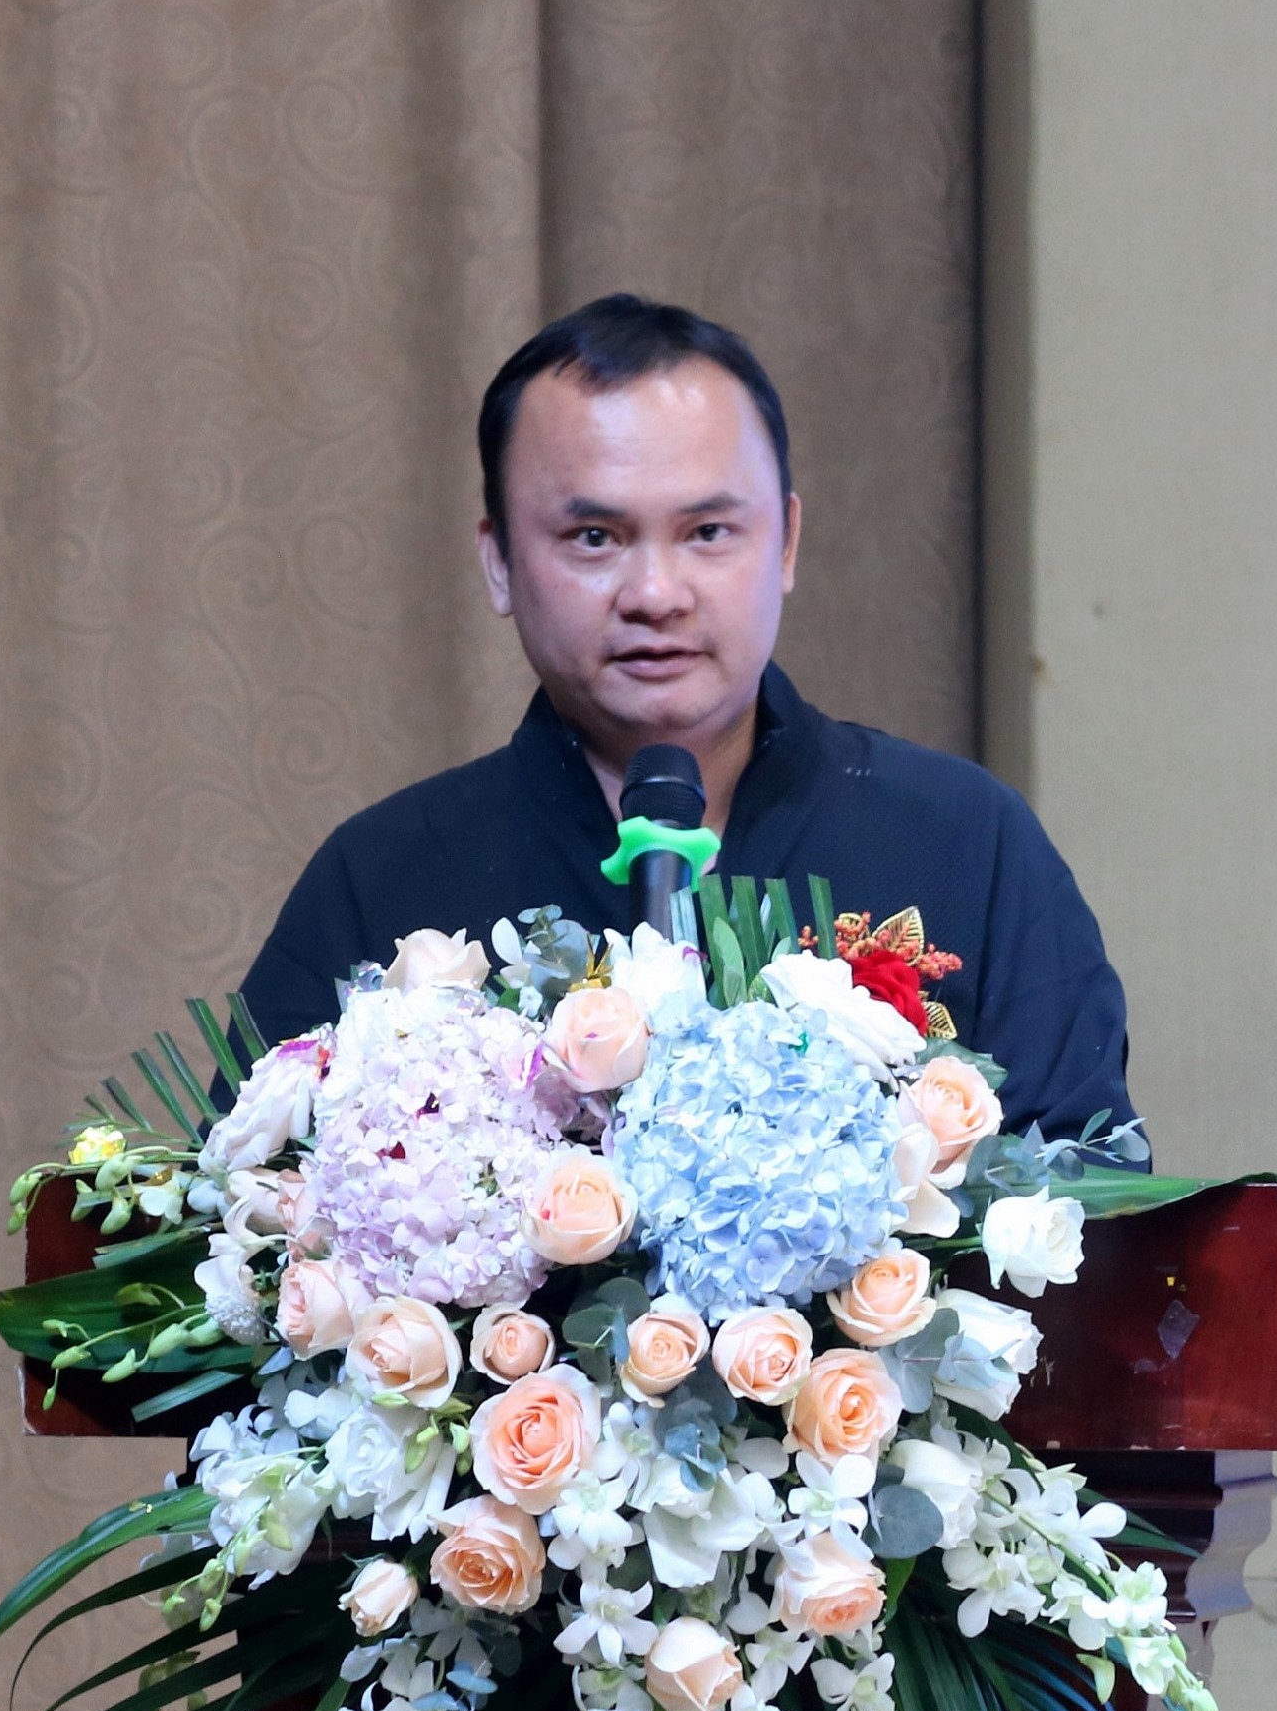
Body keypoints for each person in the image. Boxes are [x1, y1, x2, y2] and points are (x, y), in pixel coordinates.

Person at [233, 292, 1140, 1144]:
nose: (656, 594)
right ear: (500, 560)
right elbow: (241, 1214)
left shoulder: (962, 842)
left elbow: (1092, 1190)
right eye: (595, 538)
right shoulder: (384, 879)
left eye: (707, 532)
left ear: (785, 543)